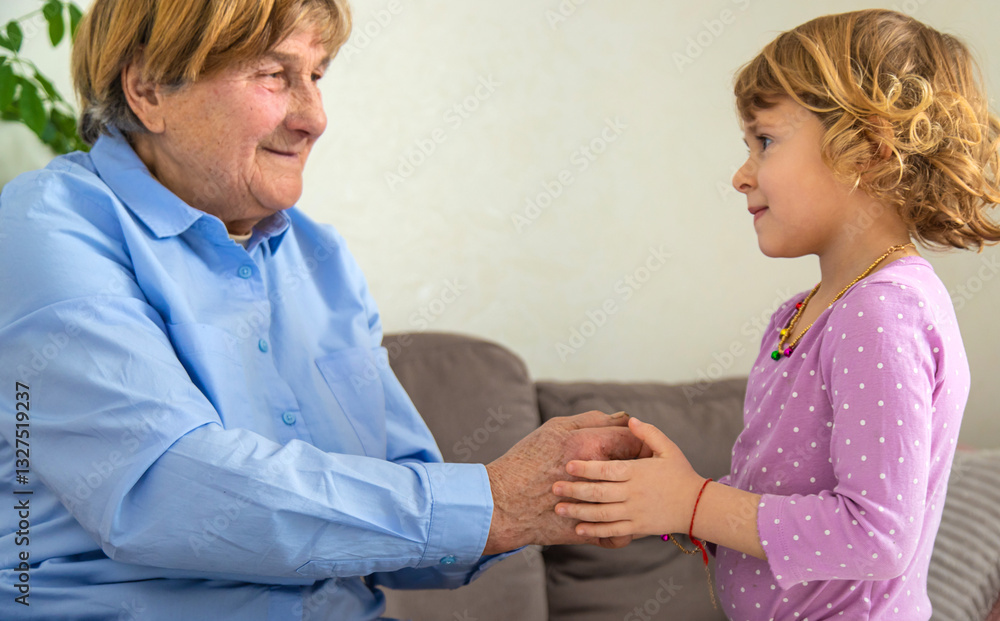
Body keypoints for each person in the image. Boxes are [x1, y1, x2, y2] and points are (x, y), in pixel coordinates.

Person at [0, 1, 642, 619]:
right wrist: (492, 503)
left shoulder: (320, 259)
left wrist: (559, 495)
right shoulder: (46, 226)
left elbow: (411, 518)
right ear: (148, 90)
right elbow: (164, 490)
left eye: (316, 75)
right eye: (274, 75)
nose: (315, 117)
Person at [551, 9, 1000, 620]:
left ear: (867, 150)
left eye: (764, 141)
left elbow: (876, 536)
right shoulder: (803, 314)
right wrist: (666, 500)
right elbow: (785, 500)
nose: (741, 176)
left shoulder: (881, 313)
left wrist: (694, 503)